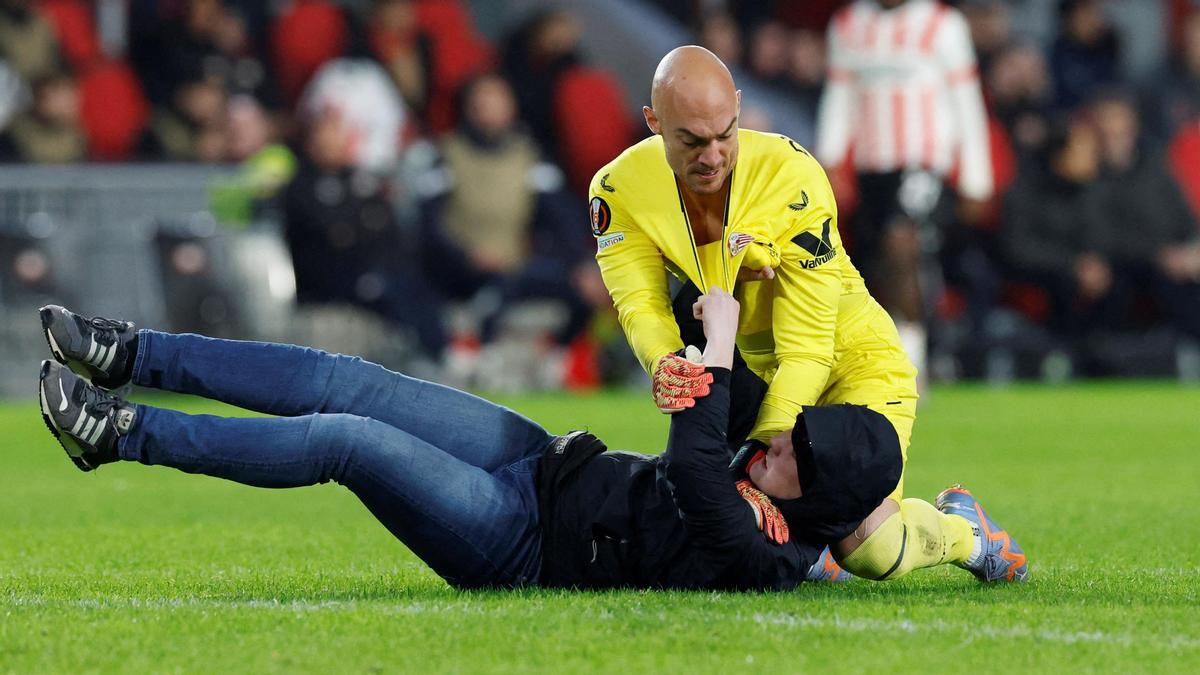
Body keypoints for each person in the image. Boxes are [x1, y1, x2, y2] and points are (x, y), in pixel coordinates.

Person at [36, 299, 1022, 589]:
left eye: (789, 455)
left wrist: (712, 352)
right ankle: (131, 353)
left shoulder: (766, 550)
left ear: (805, 506)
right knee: (349, 379)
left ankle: (118, 433)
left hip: (517, 541)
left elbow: (688, 455)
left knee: (346, 438)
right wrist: (704, 314)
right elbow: (714, 370)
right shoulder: (781, 484)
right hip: (548, 457)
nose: (772, 443)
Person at [589, 45, 1026, 583]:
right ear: (654, 123)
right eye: (691, 140)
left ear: (740, 109)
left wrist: (757, 456)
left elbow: (810, 346)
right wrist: (663, 366)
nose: (713, 155)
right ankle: (814, 541)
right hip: (765, 372)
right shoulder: (617, 189)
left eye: (726, 133)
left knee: (870, 550)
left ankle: (965, 532)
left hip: (854, 362)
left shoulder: (790, 177)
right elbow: (640, 302)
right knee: (739, 514)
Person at [816, 0, 994, 388]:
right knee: (879, 262)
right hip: (871, 168)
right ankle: (896, 355)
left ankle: (912, 365)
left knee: (901, 244)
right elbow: (839, 96)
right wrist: (829, 163)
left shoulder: (943, 24)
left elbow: (966, 100)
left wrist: (977, 178)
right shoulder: (848, 24)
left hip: (924, 161)